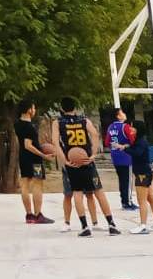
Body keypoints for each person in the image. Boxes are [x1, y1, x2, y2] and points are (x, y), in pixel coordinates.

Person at [55, 97, 119, 237]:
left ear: (61, 108)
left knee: (77, 193)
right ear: (75, 107)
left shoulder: (58, 122)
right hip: (86, 160)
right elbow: (95, 135)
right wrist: (93, 154)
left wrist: (65, 160)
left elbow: (56, 143)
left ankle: (85, 227)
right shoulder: (84, 120)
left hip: (73, 162)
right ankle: (111, 224)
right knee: (98, 192)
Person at [14, 102, 53, 222]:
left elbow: (23, 144)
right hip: (34, 159)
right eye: (33, 107)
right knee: (37, 184)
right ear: (29, 110)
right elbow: (28, 145)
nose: (35, 110)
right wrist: (44, 155)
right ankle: (38, 214)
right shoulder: (29, 126)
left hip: (23, 157)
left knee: (25, 185)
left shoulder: (17, 124)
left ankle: (29, 215)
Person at [123, 121, 153, 234]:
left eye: (132, 127)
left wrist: (125, 149)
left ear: (138, 128)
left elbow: (137, 153)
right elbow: (135, 149)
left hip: (142, 173)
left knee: (141, 201)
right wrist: (127, 146)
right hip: (144, 172)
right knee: (151, 198)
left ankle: (143, 225)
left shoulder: (141, 141)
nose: (130, 128)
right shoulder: (139, 140)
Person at [105, 107, 136, 211]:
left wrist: (115, 145)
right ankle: (127, 202)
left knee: (122, 180)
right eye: (122, 112)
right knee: (127, 181)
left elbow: (107, 143)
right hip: (125, 156)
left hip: (115, 156)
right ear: (118, 116)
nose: (124, 113)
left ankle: (124, 201)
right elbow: (133, 141)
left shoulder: (110, 127)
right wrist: (125, 145)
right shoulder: (125, 127)